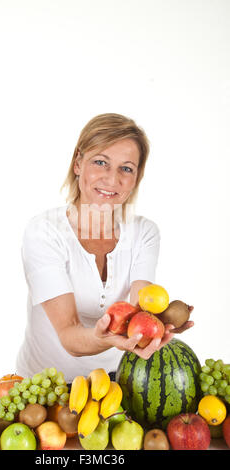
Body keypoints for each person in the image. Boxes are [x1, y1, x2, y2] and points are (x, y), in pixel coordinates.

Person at [16, 113, 193, 384]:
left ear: (137, 176)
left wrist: (154, 326)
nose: (112, 179)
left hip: (115, 386)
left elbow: (139, 309)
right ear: (78, 163)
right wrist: (109, 337)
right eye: (101, 162)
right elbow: (69, 335)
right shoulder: (44, 232)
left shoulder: (144, 233)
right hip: (43, 388)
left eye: (126, 168)